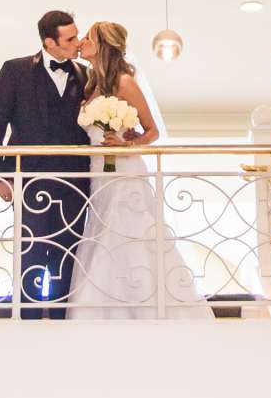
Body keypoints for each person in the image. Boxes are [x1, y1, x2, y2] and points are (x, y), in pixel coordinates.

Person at [67, 21, 211, 318]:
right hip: (97, 172)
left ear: (103, 44)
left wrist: (125, 145)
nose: (81, 41)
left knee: (127, 234)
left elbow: (152, 131)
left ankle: (141, 308)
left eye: (88, 37)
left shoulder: (123, 82)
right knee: (101, 232)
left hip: (124, 173)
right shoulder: (91, 83)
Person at [0, 10, 91, 318]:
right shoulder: (15, 70)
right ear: (49, 42)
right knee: (30, 253)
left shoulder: (85, 74)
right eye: (70, 39)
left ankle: (60, 322)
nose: (77, 42)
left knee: (68, 255)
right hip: (29, 179)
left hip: (76, 183)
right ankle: (26, 324)